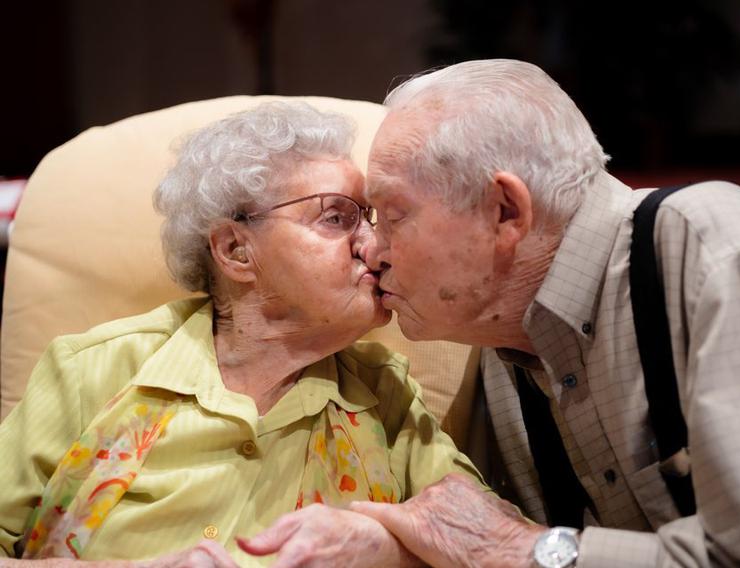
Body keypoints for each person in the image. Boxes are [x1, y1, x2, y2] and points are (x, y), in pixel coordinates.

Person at [350, 59, 740, 567]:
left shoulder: (714, 250)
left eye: (391, 215)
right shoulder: (503, 339)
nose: (372, 252)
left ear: (504, 211)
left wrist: (520, 550)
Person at [0, 101, 482, 567]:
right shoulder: (93, 370)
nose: (374, 246)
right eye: (336, 217)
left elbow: (489, 544)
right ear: (235, 250)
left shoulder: (384, 395)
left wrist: (388, 552)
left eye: (371, 219)